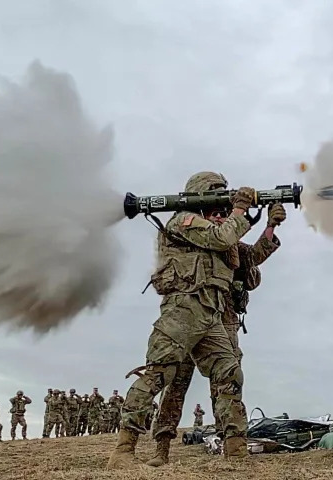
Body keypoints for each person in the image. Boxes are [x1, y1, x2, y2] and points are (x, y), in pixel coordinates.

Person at [107, 172, 255, 469]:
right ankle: (123, 451)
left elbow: (238, 249)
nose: (223, 197)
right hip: (183, 309)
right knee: (158, 375)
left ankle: (236, 450)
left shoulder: (212, 227)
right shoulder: (184, 220)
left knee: (229, 373)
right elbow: (221, 236)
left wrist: (261, 224)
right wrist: (239, 209)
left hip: (211, 313)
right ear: (201, 193)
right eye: (217, 192)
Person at [146, 198, 284, 466]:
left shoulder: (229, 243)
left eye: (224, 213)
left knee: (227, 381)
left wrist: (270, 226)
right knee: (175, 382)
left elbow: (252, 256)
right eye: (215, 212)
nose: (220, 217)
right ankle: (160, 448)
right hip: (191, 316)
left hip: (225, 318)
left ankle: (231, 447)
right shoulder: (198, 237)